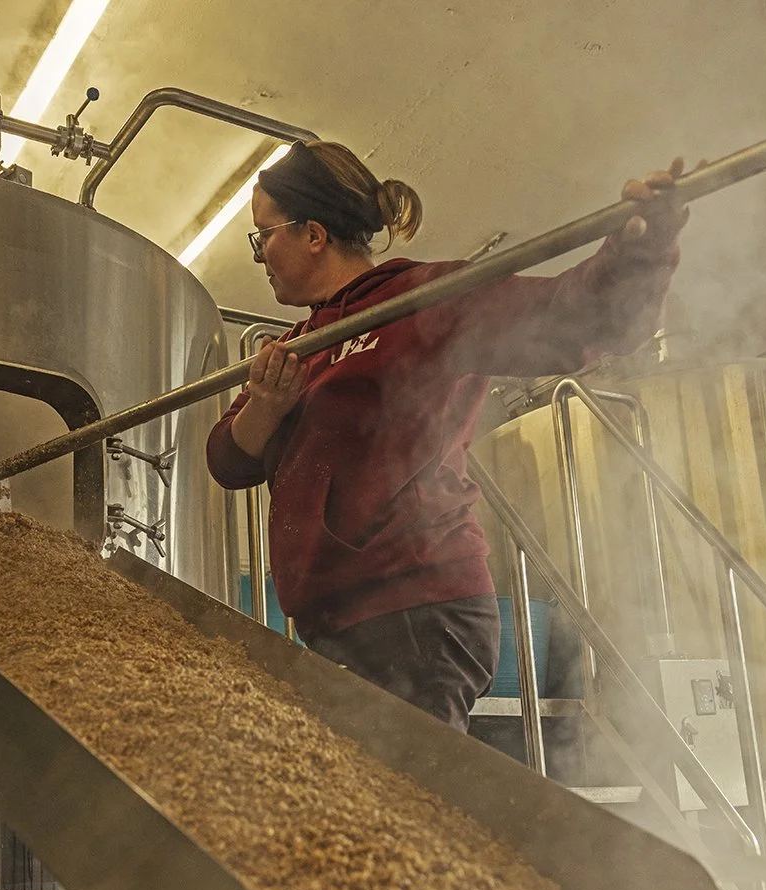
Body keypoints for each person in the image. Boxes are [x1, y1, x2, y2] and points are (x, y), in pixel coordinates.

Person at [205, 140, 692, 730]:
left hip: (414, 608)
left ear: (313, 233)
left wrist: (641, 244)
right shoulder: (303, 345)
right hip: (340, 622)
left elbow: (580, 317)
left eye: (264, 234)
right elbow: (228, 460)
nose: (259, 254)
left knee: (405, 805)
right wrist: (267, 405)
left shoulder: (424, 301)